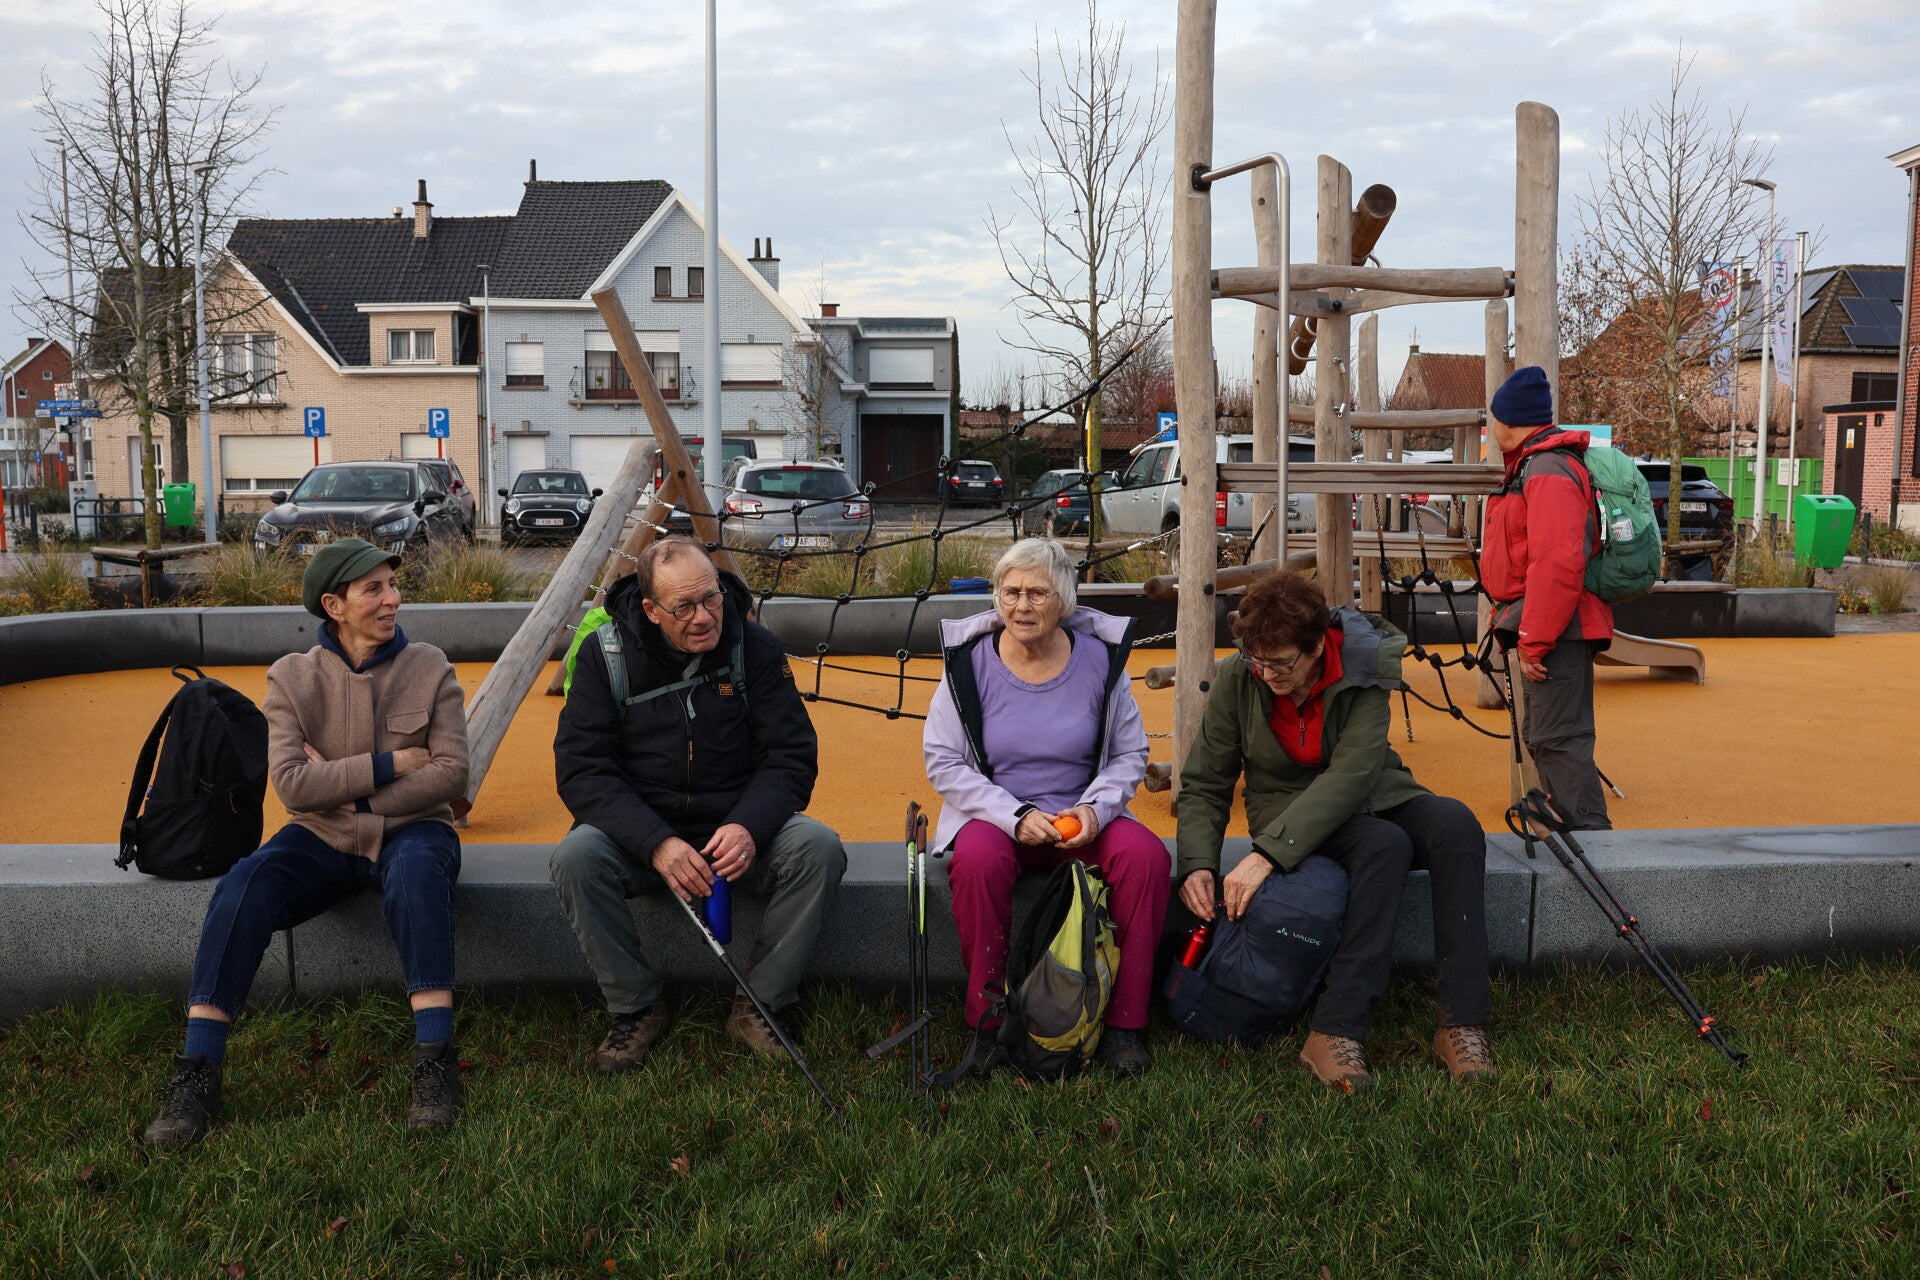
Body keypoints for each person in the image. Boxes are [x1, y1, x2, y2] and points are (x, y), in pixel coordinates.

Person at [143, 539, 471, 1144]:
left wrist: (349, 794)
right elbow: (294, 786)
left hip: (414, 831)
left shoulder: (431, 666)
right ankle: (197, 1071)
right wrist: (392, 764)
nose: (393, 599)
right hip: (319, 835)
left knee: (416, 876)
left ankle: (434, 1059)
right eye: (373, 589)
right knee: (244, 885)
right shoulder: (291, 677)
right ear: (334, 605)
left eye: (392, 585)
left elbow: (452, 774)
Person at [1175, 569, 1494, 1092]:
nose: (1267, 674)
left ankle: (1462, 1022)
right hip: (1285, 806)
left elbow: (1354, 772)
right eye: (1257, 660)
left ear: (1319, 645)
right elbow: (1206, 782)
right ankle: (1335, 1029)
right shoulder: (1240, 676)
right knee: (1384, 845)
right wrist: (1197, 864)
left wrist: (1264, 857)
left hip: (1372, 789)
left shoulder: (1365, 666)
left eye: (1282, 663)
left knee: (1456, 824)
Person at [550, 535, 846, 1072]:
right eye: (683, 607)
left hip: (738, 828)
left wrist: (749, 826)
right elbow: (582, 769)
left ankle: (760, 1004)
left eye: (711, 598)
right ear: (651, 610)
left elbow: (791, 757)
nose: (705, 617)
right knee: (576, 858)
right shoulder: (602, 654)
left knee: (818, 847)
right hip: (641, 833)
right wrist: (655, 842)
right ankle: (637, 1006)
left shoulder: (756, 648)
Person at [924, 538, 1168, 1076]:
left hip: (1081, 816)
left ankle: (1125, 1026)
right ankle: (987, 1023)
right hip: (998, 816)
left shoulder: (1101, 662)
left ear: (1064, 600)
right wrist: (1013, 817)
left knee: (1146, 858)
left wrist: (1095, 810)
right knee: (977, 861)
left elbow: (1129, 754)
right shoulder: (968, 665)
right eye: (1010, 592)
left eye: (1037, 593)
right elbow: (943, 759)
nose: (1021, 606)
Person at [1482, 364, 1614, 830]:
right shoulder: (1536, 466)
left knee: (1559, 740)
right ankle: (1577, 843)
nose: (1491, 426)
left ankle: (1594, 848)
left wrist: (1534, 640)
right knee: (1546, 737)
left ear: (1510, 420)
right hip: (1551, 625)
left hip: (1557, 631)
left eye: (1494, 417)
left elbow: (1558, 561)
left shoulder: (1546, 470)